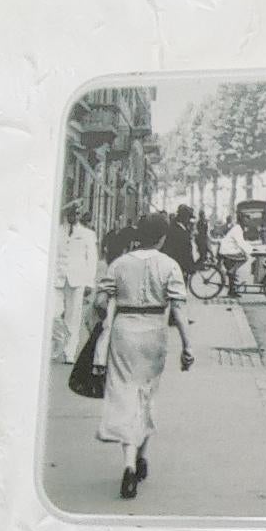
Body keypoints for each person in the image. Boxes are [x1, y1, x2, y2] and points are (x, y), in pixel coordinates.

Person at [92, 213, 194, 499]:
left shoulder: (119, 263)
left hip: (123, 333)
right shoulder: (169, 265)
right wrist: (188, 346)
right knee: (147, 393)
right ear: (162, 238)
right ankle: (142, 458)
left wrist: (109, 311)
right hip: (154, 334)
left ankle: (128, 464)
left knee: (124, 394)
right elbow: (178, 310)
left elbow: (101, 301)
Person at [52, 201, 97, 363]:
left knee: (73, 317)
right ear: (67, 215)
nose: (75, 217)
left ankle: (69, 351)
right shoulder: (56, 232)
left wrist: (89, 283)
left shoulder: (88, 234)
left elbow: (92, 259)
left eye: (77, 214)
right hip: (57, 278)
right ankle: (59, 342)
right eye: (72, 214)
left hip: (77, 280)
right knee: (54, 314)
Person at [217, 209, 253, 297]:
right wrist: (251, 250)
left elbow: (242, 242)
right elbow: (241, 243)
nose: (248, 222)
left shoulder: (239, 228)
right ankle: (231, 271)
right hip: (227, 250)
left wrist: (251, 248)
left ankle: (231, 291)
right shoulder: (237, 229)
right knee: (244, 258)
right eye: (246, 220)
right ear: (242, 221)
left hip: (229, 249)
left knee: (233, 274)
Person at [162, 205, 197, 277]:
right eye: (189, 218)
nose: (189, 220)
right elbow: (184, 251)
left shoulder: (180, 227)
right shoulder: (176, 230)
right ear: (184, 217)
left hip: (178, 266)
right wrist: (190, 267)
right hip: (176, 266)